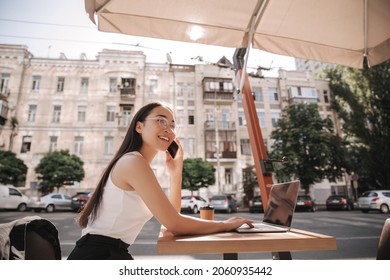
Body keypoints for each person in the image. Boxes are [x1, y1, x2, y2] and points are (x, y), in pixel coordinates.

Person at [67, 102, 253, 260]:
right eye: (161, 120)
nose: (168, 129)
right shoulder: (133, 162)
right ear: (139, 127)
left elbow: (171, 215)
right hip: (97, 256)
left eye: (172, 125)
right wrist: (226, 224)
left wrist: (176, 174)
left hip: (111, 253)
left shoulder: (137, 164)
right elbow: (175, 224)